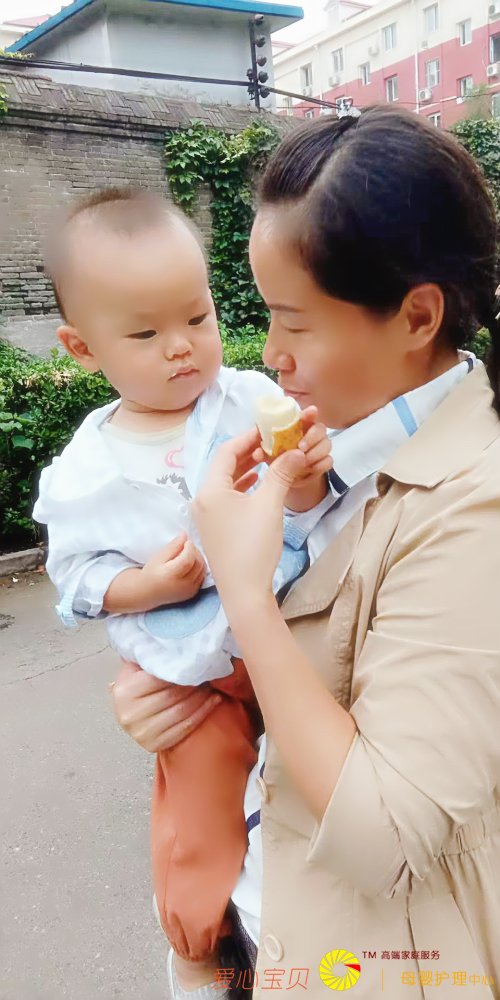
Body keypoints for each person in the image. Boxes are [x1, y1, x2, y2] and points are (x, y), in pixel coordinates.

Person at [112, 105, 500, 999]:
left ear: (417, 316)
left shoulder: (473, 505)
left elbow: (387, 833)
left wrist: (247, 598)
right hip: (268, 932)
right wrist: (174, 693)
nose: (270, 354)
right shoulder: (336, 454)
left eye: (294, 321)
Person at [32, 189, 333, 998]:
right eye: (144, 334)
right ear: (81, 347)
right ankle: (202, 948)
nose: (181, 348)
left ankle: (295, 930)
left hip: (289, 629)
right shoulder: (86, 471)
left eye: (197, 317)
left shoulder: (245, 399)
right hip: (187, 672)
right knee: (200, 811)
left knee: (309, 787)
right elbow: (76, 579)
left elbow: (306, 500)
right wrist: (145, 585)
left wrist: (304, 473)